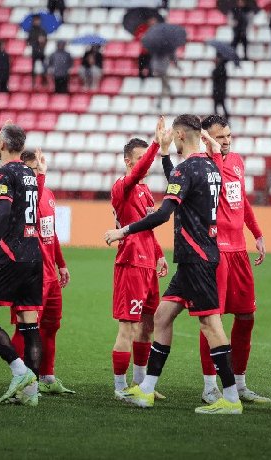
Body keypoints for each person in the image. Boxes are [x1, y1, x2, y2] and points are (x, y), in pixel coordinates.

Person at [106, 115, 243, 415]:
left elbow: (164, 212)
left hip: (197, 258)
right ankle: (146, 389)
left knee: (211, 324)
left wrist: (123, 230)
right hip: (196, 258)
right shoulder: (210, 166)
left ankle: (230, 398)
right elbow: (180, 183)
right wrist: (169, 156)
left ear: (180, 135)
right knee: (162, 318)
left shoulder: (186, 169)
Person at [162, 115, 268, 404]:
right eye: (220, 137)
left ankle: (241, 383)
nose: (227, 141)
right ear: (206, 138)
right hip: (214, 252)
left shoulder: (236, 161)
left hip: (239, 251)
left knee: (246, 316)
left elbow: (241, 199)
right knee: (212, 318)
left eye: (229, 136)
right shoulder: (204, 167)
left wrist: (256, 233)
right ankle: (210, 386)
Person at [0, 124, 46, 406]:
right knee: (30, 325)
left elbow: (3, 212)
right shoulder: (29, 172)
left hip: (11, 255)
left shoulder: (4, 173)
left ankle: (20, 371)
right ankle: (31, 393)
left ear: (3, 143)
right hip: (32, 256)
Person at [109, 118, 169, 400]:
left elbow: (147, 226)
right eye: (139, 159)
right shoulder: (124, 186)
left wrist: (159, 254)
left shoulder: (145, 191)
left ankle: (141, 384)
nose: (145, 163)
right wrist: (157, 144)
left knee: (147, 326)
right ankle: (120, 388)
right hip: (130, 263)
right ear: (127, 161)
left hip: (147, 264)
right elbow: (140, 170)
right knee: (128, 326)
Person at [9, 149, 74, 395]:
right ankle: (21, 379)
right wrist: (40, 177)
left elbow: (51, 232)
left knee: (50, 326)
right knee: (24, 329)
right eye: (32, 169)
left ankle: (47, 377)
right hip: (29, 273)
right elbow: (31, 206)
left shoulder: (48, 194)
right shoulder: (19, 195)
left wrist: (61, 263)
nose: (37, 173)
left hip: (49, 274)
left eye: (39, 169)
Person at [27, 15, 48, 87]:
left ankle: (44, 81)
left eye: (38, 20)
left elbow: (46, 40)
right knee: (33, 68)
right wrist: (37, 41)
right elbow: (29, 41)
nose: (37, 22)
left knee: (44, 67)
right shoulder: (31, 31)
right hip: (35, 51)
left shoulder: (42, 30)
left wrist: (43, 41)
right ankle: (33, 82)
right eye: (36, 20)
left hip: (41, 51)